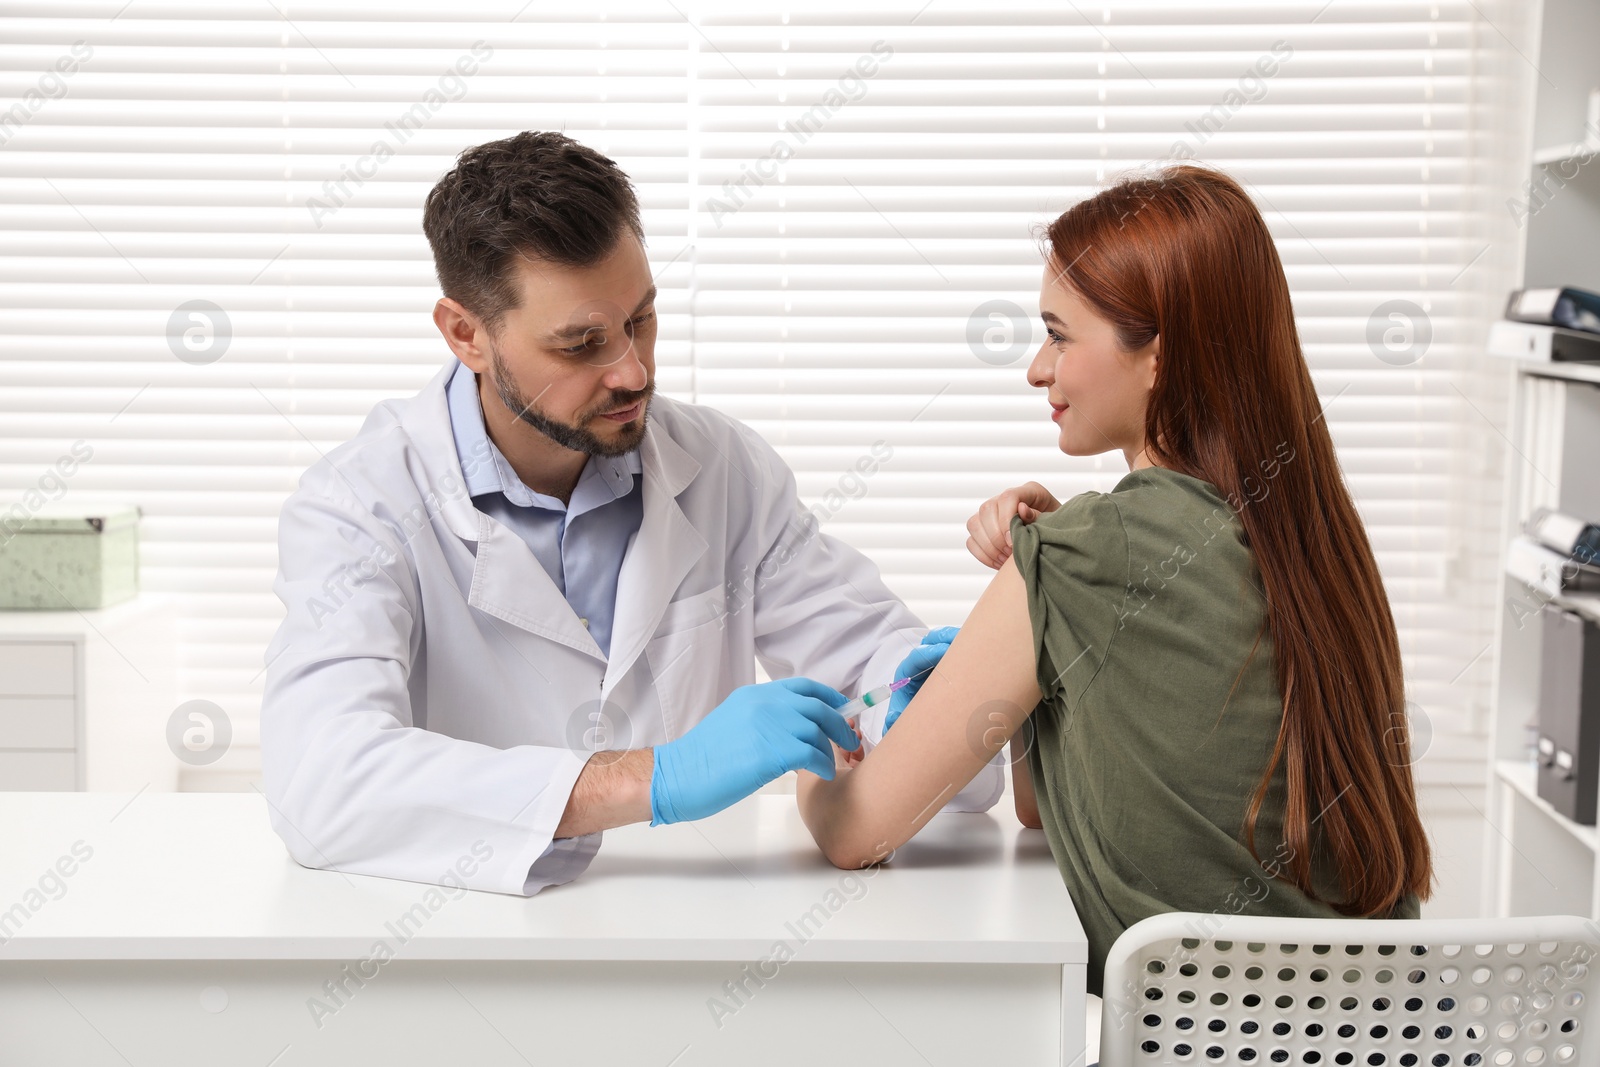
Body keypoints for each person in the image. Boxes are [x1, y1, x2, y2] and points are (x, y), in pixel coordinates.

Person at [260, 131, 1001, 897]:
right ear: (466, 334)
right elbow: (322, 781)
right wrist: (656, 778)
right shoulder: (361, 505)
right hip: (456, 939)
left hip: (687, 929)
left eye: (641, 319)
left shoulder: (722, 468)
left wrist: (919, 694)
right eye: (582, 344)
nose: (633, 371)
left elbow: (869, 659)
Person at [796, 164, 1433, 996]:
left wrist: (816, 760)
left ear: (1158, 357)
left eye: (1059, 335)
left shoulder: (1087, 553)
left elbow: (858, 833)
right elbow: (1041, 808)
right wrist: (1057, 600)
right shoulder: (1311, 541)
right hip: (1392, 1033)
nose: (1035, 368)